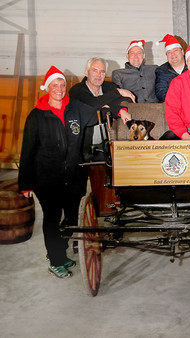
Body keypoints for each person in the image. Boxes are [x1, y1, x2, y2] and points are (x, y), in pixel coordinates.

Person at [19, 66, 97, 278]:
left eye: (63, 85)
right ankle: (55, 259)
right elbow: (27, 151)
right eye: (55, 85)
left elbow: (98, 109)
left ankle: (58, 253)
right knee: (52, 218)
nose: (60, 89)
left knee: (73, 218)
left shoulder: (75, 109)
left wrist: (120, 106)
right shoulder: (36, 116)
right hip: (47, 178)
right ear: (47, 87)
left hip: (73, 176)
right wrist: (25, 183)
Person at [68, 57, 133, 124]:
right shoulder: (76, 90)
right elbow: (92, 105)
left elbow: (128, 99)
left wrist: (109, 106)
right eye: (94, 70)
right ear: (86, 72)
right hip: (87, 133)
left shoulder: (110, 86)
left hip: (108, 133)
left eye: (102, 71)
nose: (98, 75)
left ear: (105, 74)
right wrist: (118, 95)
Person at [155, 34, 187, 102]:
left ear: (182, 52)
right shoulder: (161, 70)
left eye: (175, 50)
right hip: (173, 107)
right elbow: (161, 92)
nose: (173, 54)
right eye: (169, 52)